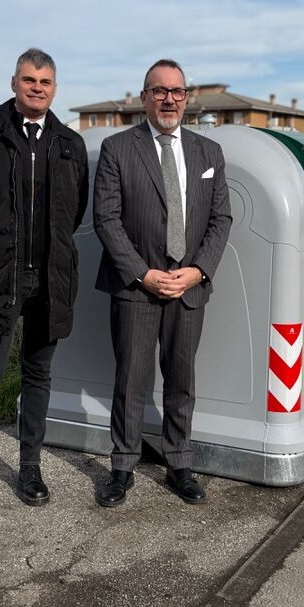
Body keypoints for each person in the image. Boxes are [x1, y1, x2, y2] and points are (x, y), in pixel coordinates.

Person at [0, 48, 89, 519]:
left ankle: (29, 466)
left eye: (45, 82)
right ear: (13, 82)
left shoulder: (70, 144)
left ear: (55, 88)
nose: (37, 87)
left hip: (49, 278)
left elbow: (75, 212)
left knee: (38, 375)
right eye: (29, 80)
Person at [91, 59, 232, 508]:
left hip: (188, 286)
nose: (169, 99)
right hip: (136, 287)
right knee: (131, 379)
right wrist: (144, 274)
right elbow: (106, 220)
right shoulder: (118, 148)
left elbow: (220, 219)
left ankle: (179, 464)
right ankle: (122, 467)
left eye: (177, 92)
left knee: (181, 379)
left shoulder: (208, 153)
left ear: (186, 98)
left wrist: (198, 270)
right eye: (159, 91)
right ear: (143, 97)